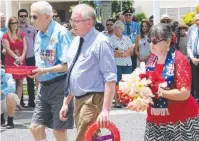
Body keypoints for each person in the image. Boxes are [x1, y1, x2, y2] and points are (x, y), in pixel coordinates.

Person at [129, 23, 199, 140]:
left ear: (167, 42)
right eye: (149, 40)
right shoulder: (152, 58)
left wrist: (159, 91)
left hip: (180, 121)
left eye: (155, 41)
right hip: (155, 121)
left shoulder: (179, 60)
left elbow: (184, 93)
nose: (151, 44)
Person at [59, 4, 117, 141]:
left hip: (94, 98)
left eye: (76, 21)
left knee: (83, 137)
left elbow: (110, 78)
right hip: (77, 98)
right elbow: (73, 74)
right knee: (92, 136)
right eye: (72, 20)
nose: (73, 24)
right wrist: (66, 103)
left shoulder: (101, 42)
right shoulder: (75, 41)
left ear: (90, 22)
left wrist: (106, 110)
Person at [28, 1, 73, 141]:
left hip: (60, 86)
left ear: (47, 16)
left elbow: (68, 66)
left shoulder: (61, 33)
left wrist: (44, 70)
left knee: (59, 131)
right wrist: (35, 72)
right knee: (35, 128)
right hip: (43, 87)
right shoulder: (39, 34)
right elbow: (41, 62)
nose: (31, 20)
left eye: (35, 17)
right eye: (31, 16)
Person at [2, 17, 27, 110]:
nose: (14, 24)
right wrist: (16, 57)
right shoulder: (5, 35)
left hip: (21, 61)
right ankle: (10, 103)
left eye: (16, 22)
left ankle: (17, 103)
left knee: (20, 82)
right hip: (10, 61)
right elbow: (7, 49)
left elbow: (25, 47)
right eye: (12, 23)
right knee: (11, 83)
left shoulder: (22, 34)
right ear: (9, 24)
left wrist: (22, 57)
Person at [109, 21, 133, 108]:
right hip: (116, 63)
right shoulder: (111, 39)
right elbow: (113, 51)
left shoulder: (127, 38)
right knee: (117, 82)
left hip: (127, 63)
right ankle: (117, 101)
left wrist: (125, 52)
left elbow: (131, 49)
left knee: (126, 82)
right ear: (114, 29)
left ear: (122, 29)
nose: (118, 29)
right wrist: (124, 52)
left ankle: (125, 100)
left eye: (119, 28)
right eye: (116, 28)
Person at [18, 9, 37, 107]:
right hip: (19, 58)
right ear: (18, 17)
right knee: (19, 80)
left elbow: (36, 43)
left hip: (30, 57)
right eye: (21, 16)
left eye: (25, 16)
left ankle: (31, 101)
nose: (23, 18)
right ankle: (20, 102)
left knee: (30, 80)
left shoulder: (32, 29)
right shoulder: (15, 29)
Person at [187, 13, 199, 104]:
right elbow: (189, 45)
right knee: (195, 81)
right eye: (196, 20)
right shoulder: (192, 29)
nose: (198, 22)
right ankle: (196, 101)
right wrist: (192, 58)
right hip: (194, 59)